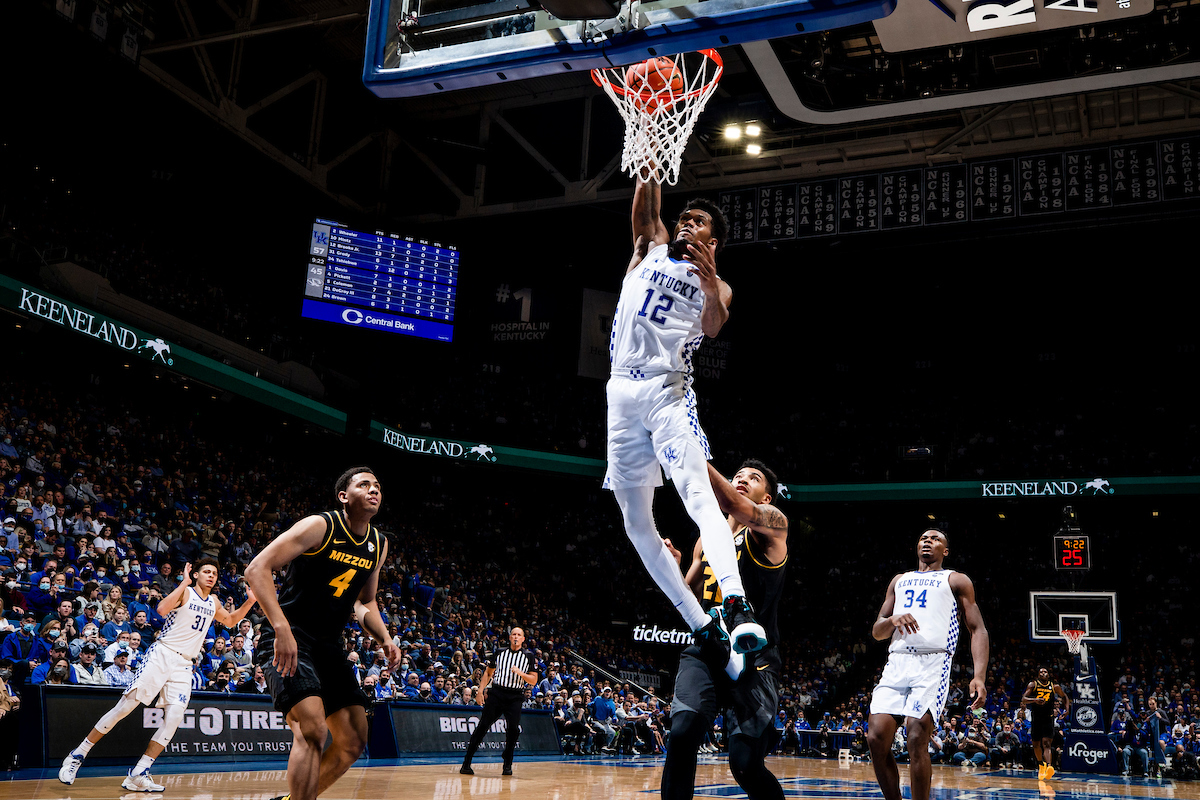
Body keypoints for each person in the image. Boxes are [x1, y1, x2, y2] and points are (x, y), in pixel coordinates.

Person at [603, 176, 766, 660]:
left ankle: (736, 602)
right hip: (620, 392)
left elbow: (714, 327)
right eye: (684, 218)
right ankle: (700, 623)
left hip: (666, 391)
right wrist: (648, 160)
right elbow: (645, 212)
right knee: (636, 523)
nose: (686, 224)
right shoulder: (649, 249)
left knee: (697, 494)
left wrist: (711, 284)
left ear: (713, 242)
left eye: (698, 222)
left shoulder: (720, 286)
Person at [244, 467, 399, 800]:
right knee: (313, 729)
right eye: (364, 485)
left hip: (328, 645)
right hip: (288, 637)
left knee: (354, 740)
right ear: (343, 496)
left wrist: (385, 638)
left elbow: (365, 601)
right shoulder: (321, 526)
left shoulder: (379, 543)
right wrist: (281, 627)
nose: (374, 490)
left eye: (377, 486)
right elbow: (256, 569)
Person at [59, 559, 256, 792]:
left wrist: (250, 601)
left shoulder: (214, 601)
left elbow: (231, 620)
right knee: (125, 707)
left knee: (174, 717)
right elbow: (161, 610)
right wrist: (183, 583)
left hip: (185, 663)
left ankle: (139, 772)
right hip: (163, 653)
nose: (211, 575)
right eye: (206, 571)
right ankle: (77, 755)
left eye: (214, 572)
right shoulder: (187, 592)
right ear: (196, 574)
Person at [661, 459, 788, 800]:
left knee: (744, 763)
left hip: (755, 653)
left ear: (767, 498)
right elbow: (689, 600)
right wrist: (675, 568)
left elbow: (733, 502)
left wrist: (693, 456)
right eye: (738, 476)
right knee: (682, 732)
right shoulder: (705, 540)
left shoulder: (773, 526)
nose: (742, 479)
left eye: (753, 478)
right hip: (708, 646)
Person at [866, 529, 989, 800]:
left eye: (935, 539)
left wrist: (979, 676)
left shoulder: (955, 579)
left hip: (933, 661)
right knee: (875, 737)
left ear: (945, 551)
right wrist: (892, 620)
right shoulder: (899, 580)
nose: (928, 541)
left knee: (916, 736)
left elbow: (977, 629)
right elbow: (877, 631)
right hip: (897, 660)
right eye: (923, 538)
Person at [459, 626, 538, 776]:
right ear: (510, 637)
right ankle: (466, 763)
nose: (516, 637)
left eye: (519, 635)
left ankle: (507, 763)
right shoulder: (500, 652)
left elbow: (533, 680)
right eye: (513, 634)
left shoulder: (529, 656)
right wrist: (480, 691)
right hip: (497, 693)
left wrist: (521, 673)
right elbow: (488, 673)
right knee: (482, 726)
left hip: (515, 696)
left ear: (523, 639)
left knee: (513, 730)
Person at [1021, 666, 1070, 779]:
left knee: (1047, 743)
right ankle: (1040, 765)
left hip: (1048, 718)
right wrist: (1035, 700)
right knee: (1036, 744)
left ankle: (1049, 767)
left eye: (1045, 671)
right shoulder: (1033, 685)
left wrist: (1067, 710)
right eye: (1041, 672)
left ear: (1049, 674)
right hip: (1036, 718)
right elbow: (1023, 699)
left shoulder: (1054, 686)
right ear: (1038, 675)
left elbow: (1064, 697)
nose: (1043, 673)